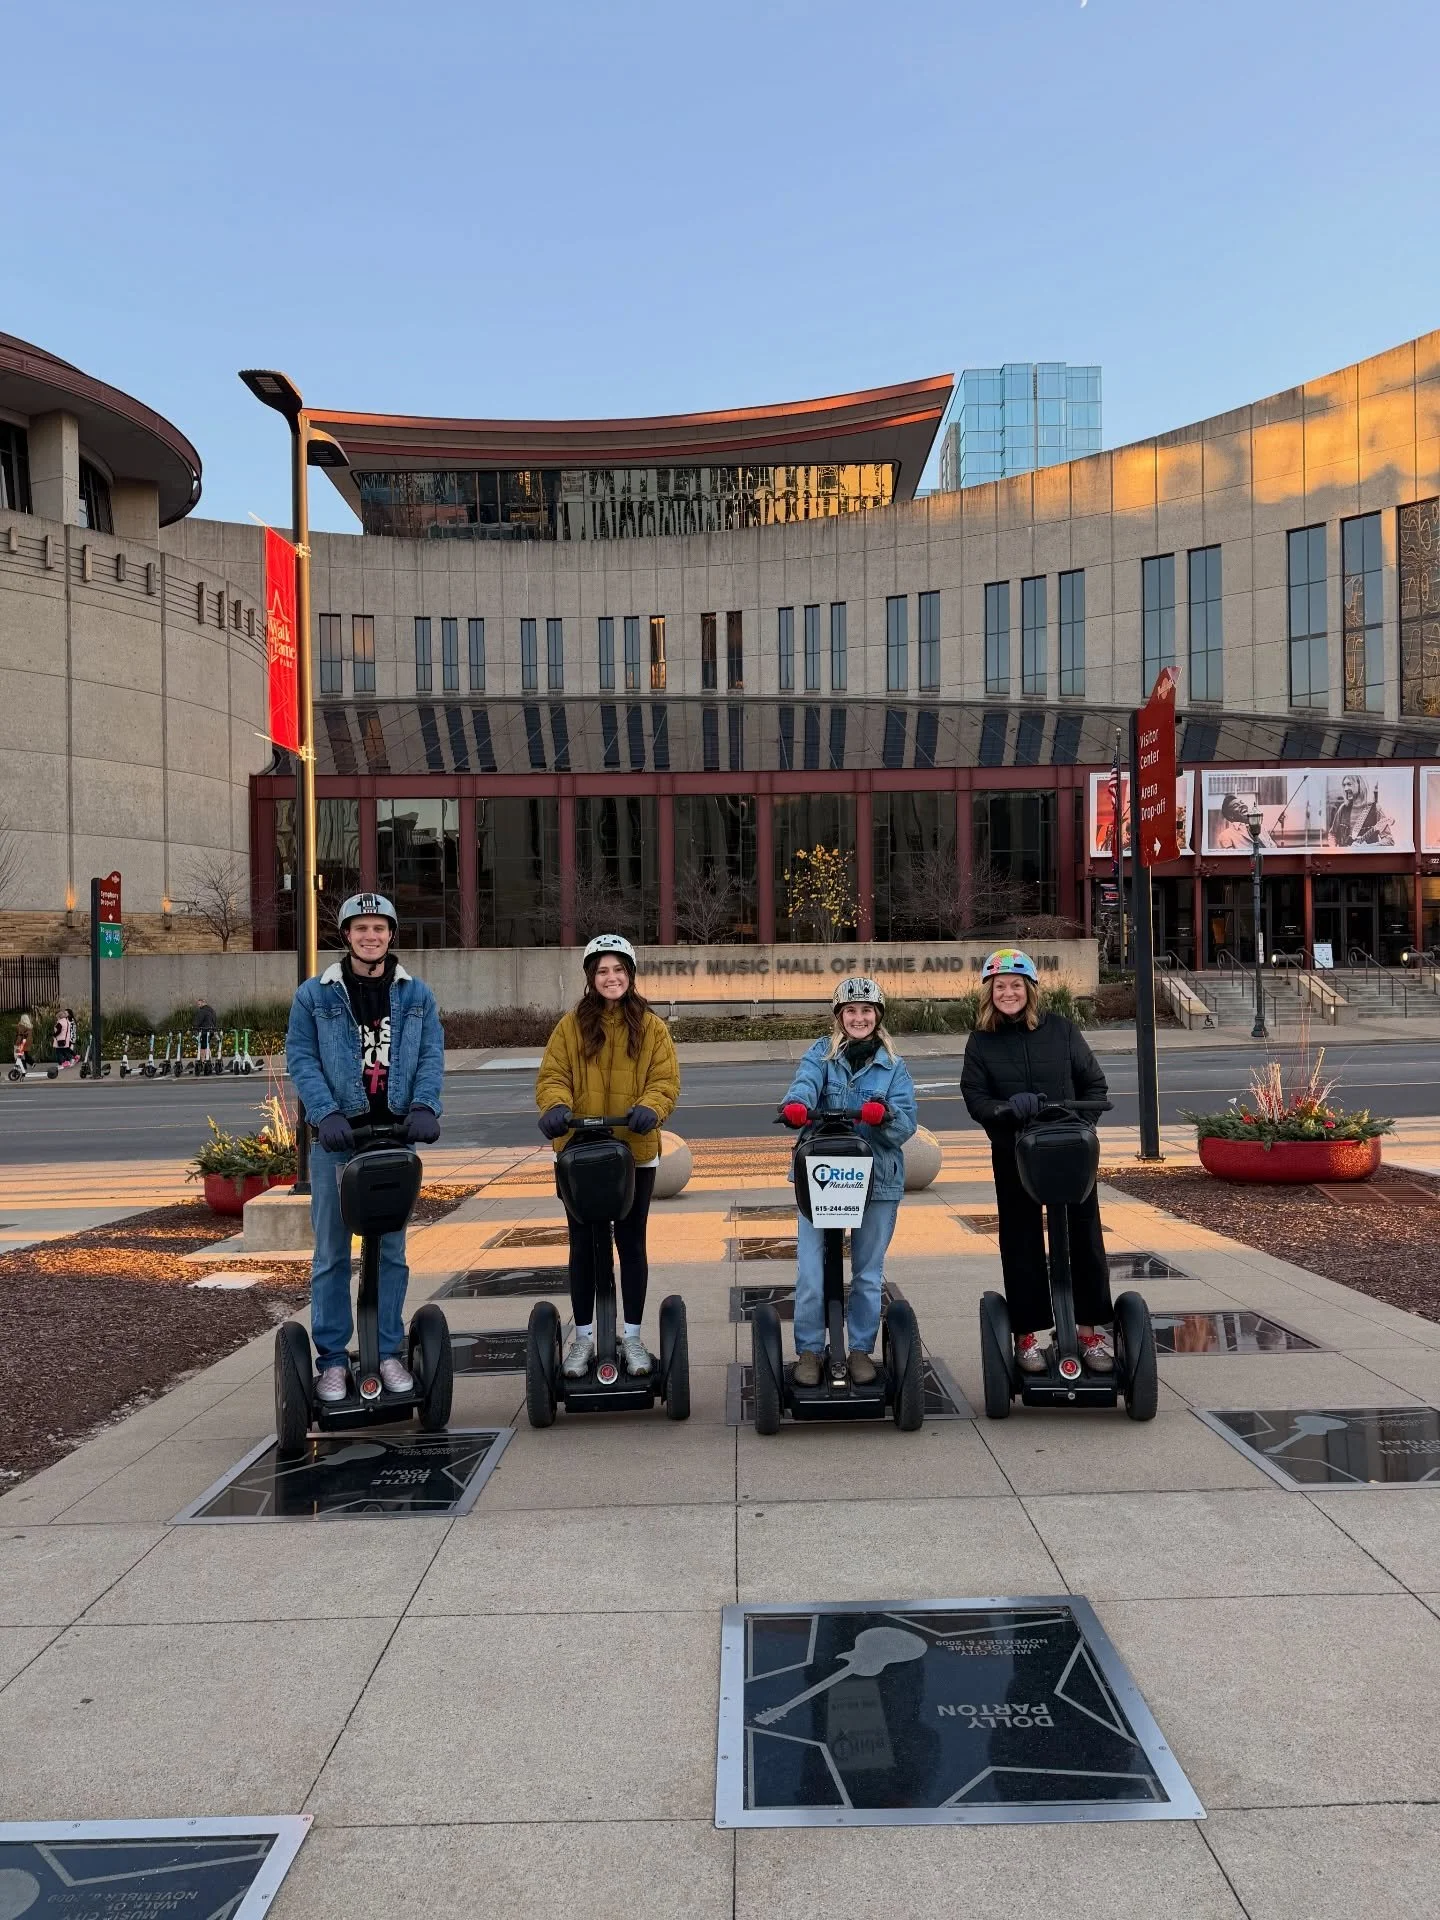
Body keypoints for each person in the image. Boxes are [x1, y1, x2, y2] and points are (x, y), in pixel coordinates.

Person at [284, 892, 444, 1402]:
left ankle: (389, 1351)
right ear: (346, 936)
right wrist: (325, 1112)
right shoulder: (316, 995)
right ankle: (332, 1359)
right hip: (339, 1141)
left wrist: (424, 1106)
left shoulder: (416, 995)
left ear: (391, 934)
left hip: (396, 1139)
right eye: (360, 928)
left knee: (391, 1253)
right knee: (332, 1253)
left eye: (378, 928)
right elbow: (302, 1057)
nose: (370, 936)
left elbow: (431, 1054)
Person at [960, 948, 1115, 1374]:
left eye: (1015, 986)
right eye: (999, 987)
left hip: (1069, 1152)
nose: (1007, 993)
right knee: (1021, 1240)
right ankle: (1026, 1336)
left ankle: (1089, 1334)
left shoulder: (1062, 1030)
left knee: (1084, 1240)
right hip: (1015, 1153)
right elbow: (975, 1098)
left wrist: (1077, 1125)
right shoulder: (981, 1041)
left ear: (1029, 990)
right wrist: (1006, 1110)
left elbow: (1094, 1085)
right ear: (988, 993)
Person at [535, 934, 680, 1379]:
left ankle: (632, 1336)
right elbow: (553, 1075)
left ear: (631, 975)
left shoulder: (652, 1028)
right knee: (583, 1246)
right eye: (603, 971)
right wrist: (556, 1107)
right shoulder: (570, 1026)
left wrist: (651, 1108)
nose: (611, 978)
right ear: (590, 977)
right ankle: (583, 1337)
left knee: (630, 1243)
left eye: (619, 970)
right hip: (580, 1154)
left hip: (633, 1153)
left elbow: (665, 1079)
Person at [779, 978, 918, 1386]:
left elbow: (907, 1123)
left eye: (867, 1011)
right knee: (810, 1271)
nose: (859, 1018)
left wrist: (885, 1114)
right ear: (839, 1016)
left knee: (867, 1274)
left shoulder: (894, 1066)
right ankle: (809, 1349)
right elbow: (804, 1085)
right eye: (851, 1011)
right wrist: (797, 1106)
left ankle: (859, 1349)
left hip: (876, 1181)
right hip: (822, 1176)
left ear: (878, 1016)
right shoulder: (821, 1053)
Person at [194, 997, 219, 1066]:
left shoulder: (202, 1011)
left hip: (204, 1031)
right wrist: (215, 1030)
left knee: (203, 1046)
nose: (198, 1006)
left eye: (199, 1004)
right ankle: (209, 1060)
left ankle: (203, 1061)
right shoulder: (212, 1010)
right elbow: (215, 1021)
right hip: (211, 1031)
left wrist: (195, 1029)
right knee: (207, 1045)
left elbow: (198, 1021)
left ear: (203, 1003)